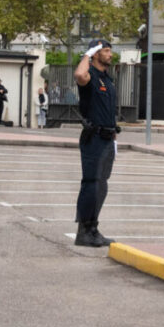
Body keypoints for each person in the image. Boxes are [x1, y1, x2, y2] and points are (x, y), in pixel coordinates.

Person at [73, 39, 119, 247]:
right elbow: (79, 75)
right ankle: (83, 231)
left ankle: (93, 228)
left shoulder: (107, 79)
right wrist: (86, 55)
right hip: (94, 138)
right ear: (95, 54)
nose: (110, 54)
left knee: (101, 186)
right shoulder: (90, 76)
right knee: (91, 184)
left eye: (110, 51)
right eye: (106, 51)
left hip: (108, 138)